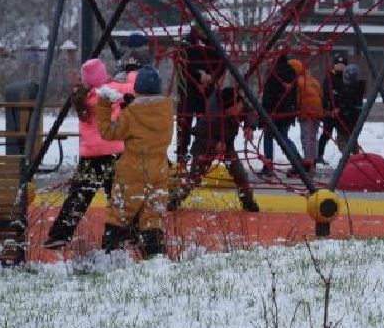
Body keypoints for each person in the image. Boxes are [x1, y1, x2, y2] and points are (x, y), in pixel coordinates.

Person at [43, 58, 127, 249]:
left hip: (90, 155)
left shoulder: (82, 97)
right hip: (114, 151)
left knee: (79, 195)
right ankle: (115, 238)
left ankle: (59, 234)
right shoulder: (112, 92)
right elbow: (130, 88)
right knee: (118, 198)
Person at [95, 66, 175, 257]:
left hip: (132, 172)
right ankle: (155, 258)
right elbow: (148, 118)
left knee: (119, 216)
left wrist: (104, 105)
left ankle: (110, 256)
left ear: (136, 89)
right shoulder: (166, 113)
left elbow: (108, 132)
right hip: (159, 171)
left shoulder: (131, 114)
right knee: (152, 218)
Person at [171, 85, 260, 213]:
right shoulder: (211, 115)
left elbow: (250, 113)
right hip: (204, 145)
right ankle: (173, 201)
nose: (241, 108)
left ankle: (248, 203)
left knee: (240, 174)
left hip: (227, 144)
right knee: (194, 178)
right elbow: (198, 132)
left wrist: (249, 127)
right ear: (226, 109)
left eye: (241, 104)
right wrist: (215, 144)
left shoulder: (237, 103)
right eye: (237, 106)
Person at [174, 27, 222, 160]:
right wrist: (199, 78)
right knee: (183, 125)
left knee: (204, 126)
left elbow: (222, 63)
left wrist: (211, 78)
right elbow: (182, 65)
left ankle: (200, 156)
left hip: (205, 93)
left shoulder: (213, 45)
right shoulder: (186, 43)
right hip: (188, 91)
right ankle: (181, 155)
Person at [319, 56, 366, 164]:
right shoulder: (330, 78)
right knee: (329, 134)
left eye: (342, 65)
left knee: (345, 137)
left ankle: (349, 159)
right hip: (335, 111)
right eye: (338, 64)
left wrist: (340, 105)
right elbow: (328, 93)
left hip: (345, 114)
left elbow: (347, 99)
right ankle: (321, 155)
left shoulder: (350, 86)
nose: (340, 66)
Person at [258, 53, 298, 177]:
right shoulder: (292, 72)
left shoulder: (273, 72)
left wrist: (264, 114)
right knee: (283, 138)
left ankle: (268, 166)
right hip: (287, 110)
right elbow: (294, 93)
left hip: (273, 111)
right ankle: (298, 163)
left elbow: (268, 96)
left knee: (268, 137)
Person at [292, 58, 324, 172]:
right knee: (313, 136)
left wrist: (295, 110)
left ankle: (308, 162)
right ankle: (313, 160)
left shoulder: (298, 82)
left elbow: (297, 99)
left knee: (306, 137)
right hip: (317, 110)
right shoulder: (312, 80)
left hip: (306, 111)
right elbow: (321, 94)